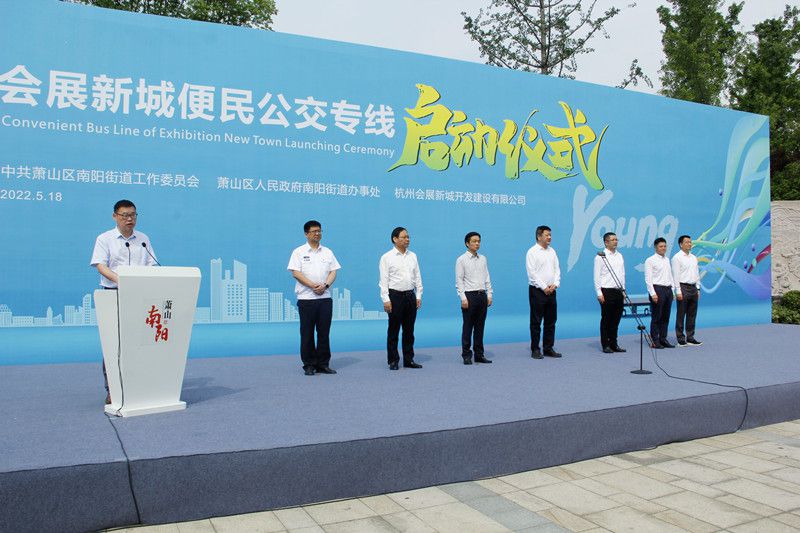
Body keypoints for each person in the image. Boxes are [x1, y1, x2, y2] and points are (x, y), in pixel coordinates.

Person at [90, 199, 158, 404]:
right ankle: (112, 388)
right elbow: (100, 265)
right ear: (115, 216)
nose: (130, 219)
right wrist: (121, 280)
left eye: (133, 215)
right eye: (125, 215)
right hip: (114, 293)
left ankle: (138, 384)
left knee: (138, 340)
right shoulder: (105, 238)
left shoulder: (143, 239)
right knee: (114, 343)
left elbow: (152, 264)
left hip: (139, 295)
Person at [287, 220, 341, 375]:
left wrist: (326, 285)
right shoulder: (298, 252)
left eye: (319, 231)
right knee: (307, 333)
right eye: (314, 231)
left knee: (324, 333)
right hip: (306, 299)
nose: (317, 234)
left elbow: (333, 271)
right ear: (306, 233)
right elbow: (295, 273)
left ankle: (323, 364)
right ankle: (309, 364)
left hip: (325, 298)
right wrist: (312, 286)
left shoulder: (327, 252)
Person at [379, 227, 423, 370]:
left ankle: (409, 359)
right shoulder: (387, 257)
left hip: (410, 296)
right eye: (404, 237)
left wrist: (418, 295)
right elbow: (383, 281)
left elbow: (417, 277)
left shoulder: (413, 256)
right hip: (395, 296)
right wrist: (386, 299)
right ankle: (393, 360)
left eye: (408, 237)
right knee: (393, 330)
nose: (407, 239)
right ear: (395, 239)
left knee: (409, 331)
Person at [455, 232, 493, 365]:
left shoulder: (483, 259)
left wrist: (489, 294)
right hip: (469, 296)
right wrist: (463, 298)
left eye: (479, 241)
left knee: (480, 327)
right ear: (467, 243)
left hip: (482, 295)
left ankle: (479, 354)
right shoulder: (461, 260)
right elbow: (459, 280)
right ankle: (466, 355)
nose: (477, 243)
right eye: (474, 241)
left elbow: (487, 277)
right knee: (468, 326)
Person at [526, 225, 562, 359]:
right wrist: (544, 287)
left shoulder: (552, 251)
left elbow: (557, 269)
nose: (549, 237)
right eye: (547, 235)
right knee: (536, 322)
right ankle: (535, 349)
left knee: (551, 321)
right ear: (539, 236)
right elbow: (532, 274)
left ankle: (548, 348)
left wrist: (555, 284)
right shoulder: (532, 252)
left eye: (550, 235)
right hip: (537, 291)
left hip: (552, 291)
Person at [593, 232, 626, 353]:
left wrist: (623, 290)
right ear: (606, 242)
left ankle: (614, 343)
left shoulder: (620, 255)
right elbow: (596, 276)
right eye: (613, 240)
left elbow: (622, 274)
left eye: (616, 239)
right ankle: (605, 344)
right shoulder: (600, 257)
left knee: (616, 319)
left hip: (618, 291)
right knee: (606, 319)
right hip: (606, 291)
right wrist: (599, 293)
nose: (615, 242)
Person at [644, 237, 676, 349]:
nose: (663, 248)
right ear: (655, 247)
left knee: (665, 316)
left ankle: (663, 339)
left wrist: (673, 290)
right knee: (656, 317)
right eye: (661, 246)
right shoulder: (650, 260)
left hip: (668, 290)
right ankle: (655, 340)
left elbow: (670, 276)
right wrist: (652, 293)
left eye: (665, 246)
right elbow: (648, 279)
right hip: (657, 289)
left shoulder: (667, 259)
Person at [672, 235, 702, 346]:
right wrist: (678, 291)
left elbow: (697, 274)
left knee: (692, 314)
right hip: (683, 287)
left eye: (690, 242)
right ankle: (680, 338)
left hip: (693, 287)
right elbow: (675, 276)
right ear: (681, 244)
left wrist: (698, 288)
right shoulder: (677, 258)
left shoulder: (694, 257)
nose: (690, 244)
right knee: (681, 314)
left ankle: (690, 337)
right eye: (687, 242)